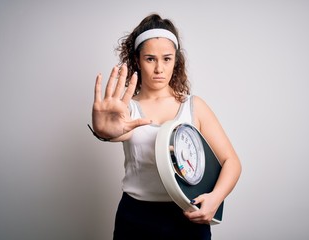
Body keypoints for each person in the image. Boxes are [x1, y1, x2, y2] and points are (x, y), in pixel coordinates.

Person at [89, 13, 241, 240]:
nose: (159, 68)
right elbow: (112, 132)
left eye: (167, 59)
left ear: (176, 61)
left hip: (187, 217)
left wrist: (215, 199)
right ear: (137, 60)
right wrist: (101, 131)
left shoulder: (194, 106)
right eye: (150, 58)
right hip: (135, 217)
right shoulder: (125, 109)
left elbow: (232, 162)